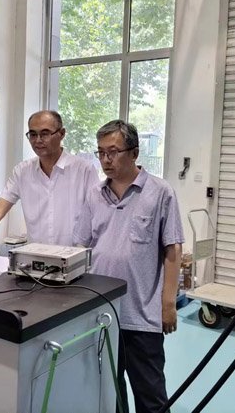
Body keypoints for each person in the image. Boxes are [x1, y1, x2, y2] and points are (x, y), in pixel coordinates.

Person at [73, 120, 184, 413]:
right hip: (101, 313)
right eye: (100, 152)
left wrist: (168, 304)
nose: (106, 159)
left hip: (141, 316)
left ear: (134, 153)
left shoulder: (160, 192)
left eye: (113, 152)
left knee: (151, 396)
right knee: (111, 394)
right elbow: (81, 246)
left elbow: (173, 250)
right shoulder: (94, 194)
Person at [0, 110, 99, 246]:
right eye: (33, 135)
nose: (38, 140)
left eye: (45, 134)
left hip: (74, 256)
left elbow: (98, 215)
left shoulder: (83, 169)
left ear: (62, 133)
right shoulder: (22, 171)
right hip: (36, 256)